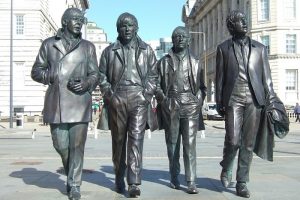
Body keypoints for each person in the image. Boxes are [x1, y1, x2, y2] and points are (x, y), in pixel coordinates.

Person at [31, 8, 99, 200]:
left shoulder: (88, 47)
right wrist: (53, 75)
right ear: (65, 22)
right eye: (75, 19)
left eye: (81, 20)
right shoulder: (49, 44)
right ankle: (72, 173)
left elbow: (96, 74)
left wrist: (86, 83)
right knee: (60, 144)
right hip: (57, 102)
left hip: (80, 102)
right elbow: (36, 71)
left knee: (77, 146)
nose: (79, 23)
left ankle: (74, 184)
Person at [215, 10, 277, 198]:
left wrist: (272, 101)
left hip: (253, 99)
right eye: (240, 21)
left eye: (245, 20)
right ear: (231, 26)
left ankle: (242, 182)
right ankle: (226, 166)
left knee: (248, 143)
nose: (245, 22)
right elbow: (220, 78)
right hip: (233, 98)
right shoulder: (223, 48)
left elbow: (267, 79)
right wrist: (219, 101)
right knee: (233, 140)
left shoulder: (260, 48)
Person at [98, 12, 157, 197]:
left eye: (130, 25)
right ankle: (118, 174)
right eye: (123, 25)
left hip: (138, 98)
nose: (127, 28)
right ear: (118, 29)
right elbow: (102, 76)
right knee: (118, 141)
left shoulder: (146, 50)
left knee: (136, 140)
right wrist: (110, 95)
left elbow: (154, 76)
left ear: (137, 28)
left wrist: (145, 95)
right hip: (117, 99)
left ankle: (133, 182)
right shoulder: (109, 51)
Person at [155, 26, 206, 194]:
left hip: (190, 104)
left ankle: (191, 180)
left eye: (184, 36)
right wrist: (164, 100)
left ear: (189, 40)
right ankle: (174, 176)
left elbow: (203, 87)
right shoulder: (164, 62)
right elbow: (155, 84)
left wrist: (198, 101)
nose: (181, 38)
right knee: (172, 144)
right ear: (173, 40)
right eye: (177, 36)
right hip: (171, 103)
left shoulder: (197, 61)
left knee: (189, 145)